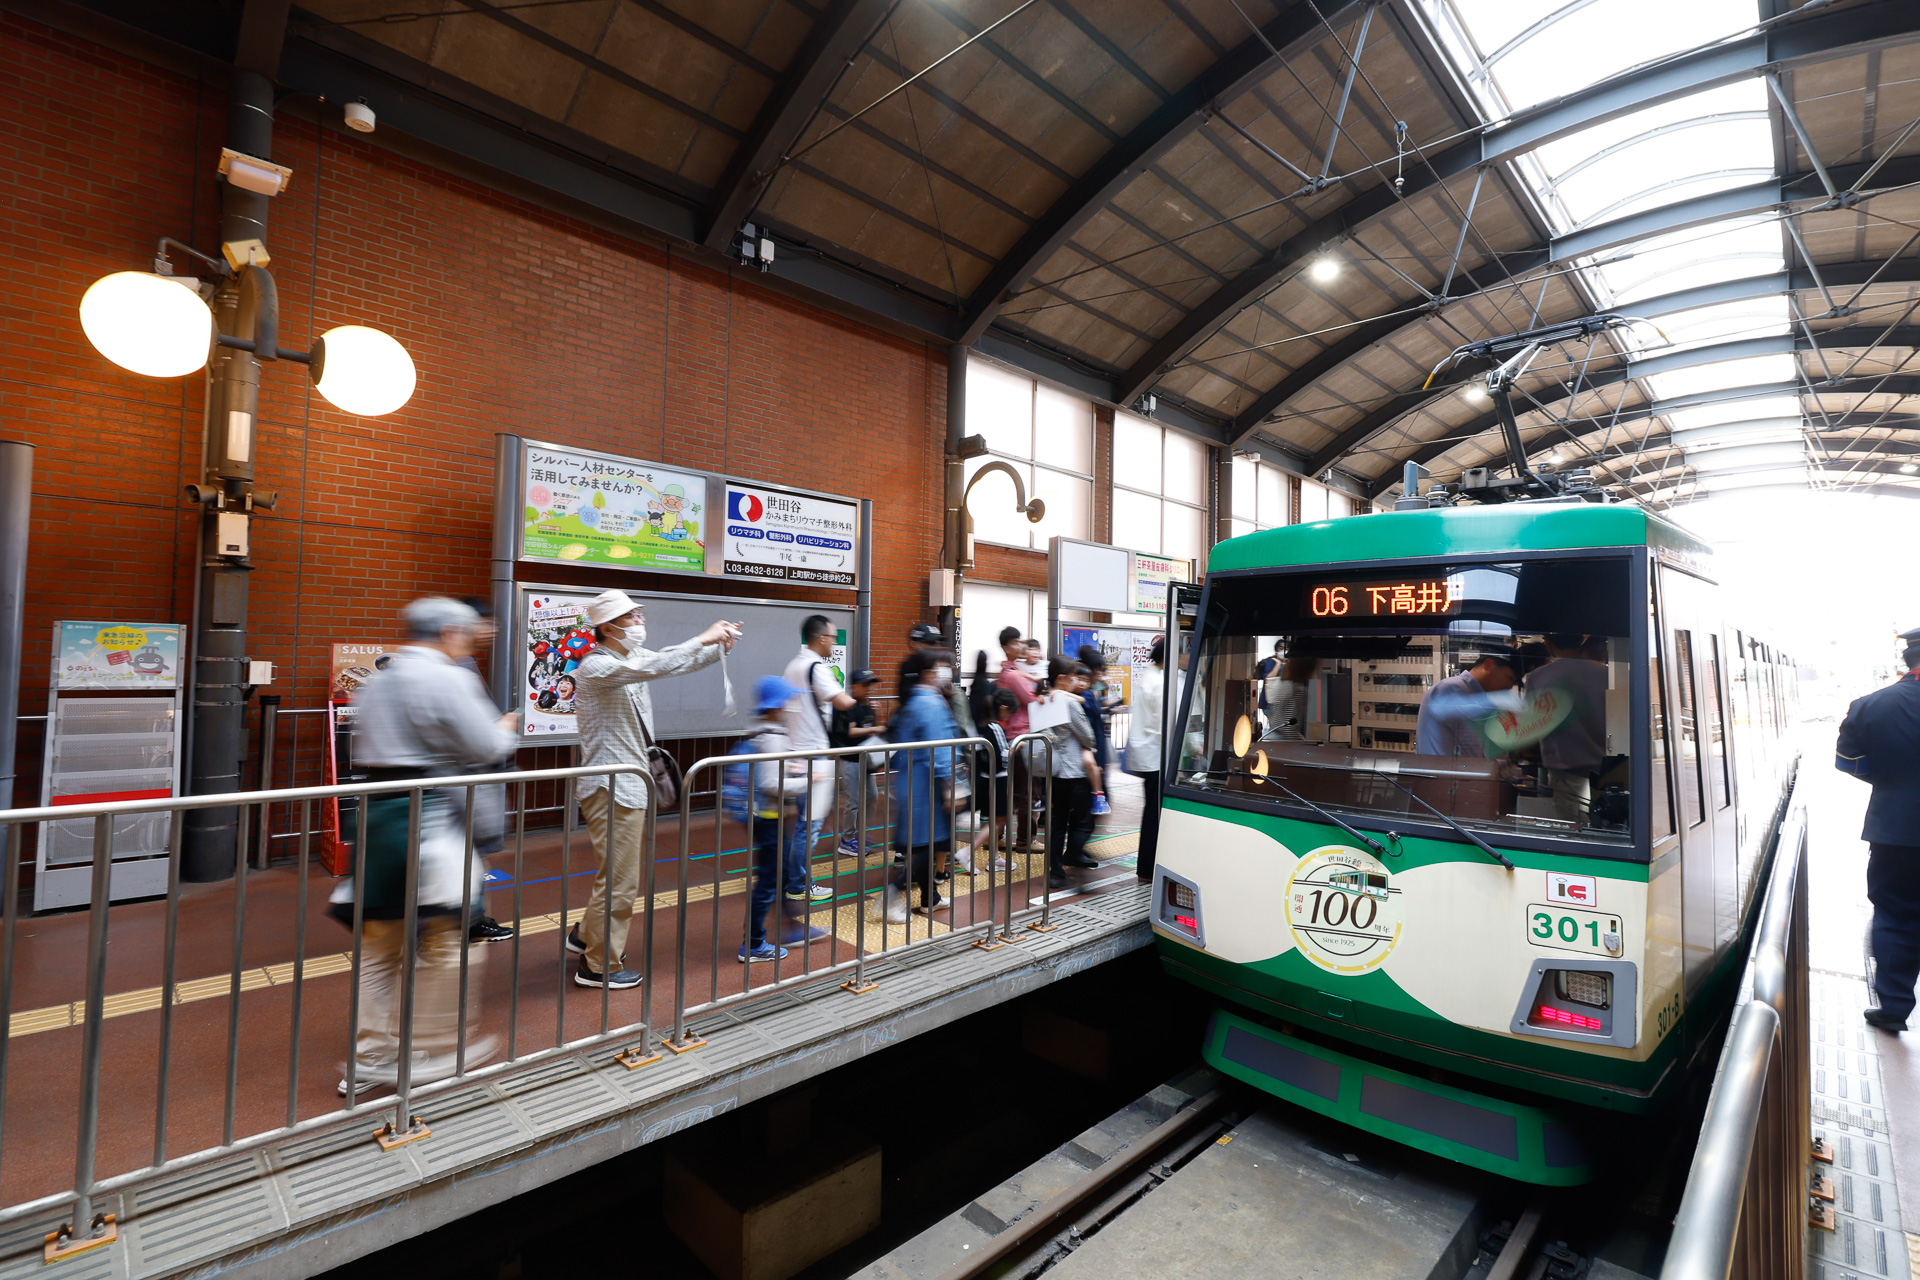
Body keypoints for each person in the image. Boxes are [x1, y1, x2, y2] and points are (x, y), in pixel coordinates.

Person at [344, 597, 520, 1095]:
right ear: (448, 632)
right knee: (449, 936)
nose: (467, 643)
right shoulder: (446, 677)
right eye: (465, 635)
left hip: (376, 817)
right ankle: (435, 1047)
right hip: (428, 818)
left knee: (380, 946)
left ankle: (370, 1056)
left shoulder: (378, 678)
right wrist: (504, 729)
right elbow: (485, 748)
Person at [568, 589, 741, 988]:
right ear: (608, 628)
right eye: (632, 617)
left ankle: (585, 936)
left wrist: (719, 646)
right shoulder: (595, 668)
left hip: (627, 785)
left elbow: (674, 664)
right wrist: (704, 636)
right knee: (620, 881)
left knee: (615, 874)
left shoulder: (629, 658)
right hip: (611, 787)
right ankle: (598, 966)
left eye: (639, 613)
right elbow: (663, 663)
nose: (640, 622)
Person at [1836, 629, 1920, 1031]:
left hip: (1896, 834)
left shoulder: (1871, 705)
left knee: (1896, 916)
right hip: (1895, 830)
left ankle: (1894, 1008)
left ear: (1908, 660)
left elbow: (1848, 762)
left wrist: (1892, 784)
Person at [875, 652, 960, 922]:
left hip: (912, 782)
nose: (947, 673)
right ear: (928, 673)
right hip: (928, 785)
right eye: (942, 668)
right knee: (926, 846)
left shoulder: (913, 700)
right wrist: (950, 786)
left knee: (924, 843)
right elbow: (941, 748)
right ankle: (890, 897)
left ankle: (929, 899)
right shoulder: (931, 703)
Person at [455, 595, 515, 943]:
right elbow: (482, 738)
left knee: (468, 856)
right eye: (486, 622)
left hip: (460, 785)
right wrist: (503, 728)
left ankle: (470, 917)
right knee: (465, 855)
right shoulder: (456, 669)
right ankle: (466, 920)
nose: (493, 628)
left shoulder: (461, 664)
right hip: (462, 784)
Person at [783, 615, 853, 906]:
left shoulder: (793, 665)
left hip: (796, 752)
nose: (834, 642)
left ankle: (795, 878)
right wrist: (859, 697)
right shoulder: (815, 666)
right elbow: (843, 702)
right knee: (809, 825)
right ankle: (798, 883)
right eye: (833, 637)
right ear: (821, 638)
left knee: (803, 823)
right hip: (814, 755)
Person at [740, 676, 811, 963]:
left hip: (763, 815)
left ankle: (788, 929)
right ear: (776, 705)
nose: (790, 705)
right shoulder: (773, 738)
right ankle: (754, 944)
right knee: (770, 879)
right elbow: (774, 784)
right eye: (787, 700)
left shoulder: (758, 730)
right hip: (769, 817)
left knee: (776, 875)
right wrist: (808, 780)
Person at [1524, 634, 1610, 822]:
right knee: (1609, 826)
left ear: (1548, 643)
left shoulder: (1537, 677)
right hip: (1610, 768)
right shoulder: (1606, 674)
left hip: (1565, 769)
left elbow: (1532, 725)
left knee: (1575, 828)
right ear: (1582, 640)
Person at [1039, 657, 1099, 891]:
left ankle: (1055, 872)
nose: (1077, 680)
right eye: (1073, 676)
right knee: (1084, 821)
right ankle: (1073, 854)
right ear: (1062, 679)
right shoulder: (1069, 704)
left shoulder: (1042, 701)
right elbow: (1088, 737)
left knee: (1056, 826)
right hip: (1074, 772)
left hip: (1052, 771)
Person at [1415, 649, 1519, 758]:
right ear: (1488, 665)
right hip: (1441, 772)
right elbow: (1442, 709)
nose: (1509, 687)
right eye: (1509, 678)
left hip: (1457, 772)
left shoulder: (1474, 694)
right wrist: (1501, 702)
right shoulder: (1451, 687)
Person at [994, 627, 1041, 853]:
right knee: (1027, 792)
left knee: (1013, 791)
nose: (1021, 646)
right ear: (1005, 647)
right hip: (1021, 738)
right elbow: (1032, 699)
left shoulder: (1010, 671)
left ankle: (1000, 837)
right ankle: (1025, 840)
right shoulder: (1012, 675)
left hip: (1012, 738)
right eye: (1015, 643)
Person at [833, 669, 885, 856]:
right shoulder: (851, 706)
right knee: (853, 801)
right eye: (865, 685)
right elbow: (851, 732)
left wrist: (877, 714)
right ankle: (847, 840)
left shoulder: (867, 705)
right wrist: (877, 726)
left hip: (866, 759)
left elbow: (873, 730)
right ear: (854, 687)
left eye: (871, 684)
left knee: (871, 796)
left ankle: (858, 834)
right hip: (851, 759)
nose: (869, 689)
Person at [1131, 638, 1167, 884]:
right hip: (1157, 756)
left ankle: (1146, 868)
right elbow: (1164, 722)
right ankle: (1148, 868)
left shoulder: (1150, 675)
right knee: (1155, 814)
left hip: (1149, 755)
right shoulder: (1159, 681)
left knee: (1151, 811)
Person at [1076, 646, 1114, 816]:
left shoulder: (1091, 691)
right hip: (1091, 741)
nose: (1101, 675)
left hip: (1095, 739)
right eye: (1098, 671)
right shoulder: (1085, 693)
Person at [1254, 639, 1284, 732]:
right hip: (1269, 703)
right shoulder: (1270, 662)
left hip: (1284, 702)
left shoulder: (1290, 663)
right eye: (1281, 648)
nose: (1283, 651)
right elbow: (1268, 678)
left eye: (1286, 648)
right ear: (1276, 650)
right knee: (1276, 728)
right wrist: (1278, 664)